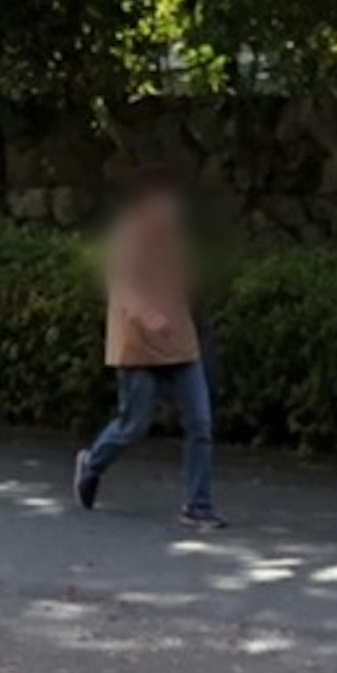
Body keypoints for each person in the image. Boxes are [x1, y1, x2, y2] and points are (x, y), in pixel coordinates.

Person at [70, 171, 220, 528]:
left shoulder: (176, 239)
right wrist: (149, 316)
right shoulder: (125, 237)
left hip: (181, 341)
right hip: (139, 346)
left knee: (200, 423)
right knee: (134, 424)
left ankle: (198, 505)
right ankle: (91, 464)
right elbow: (123, 291)